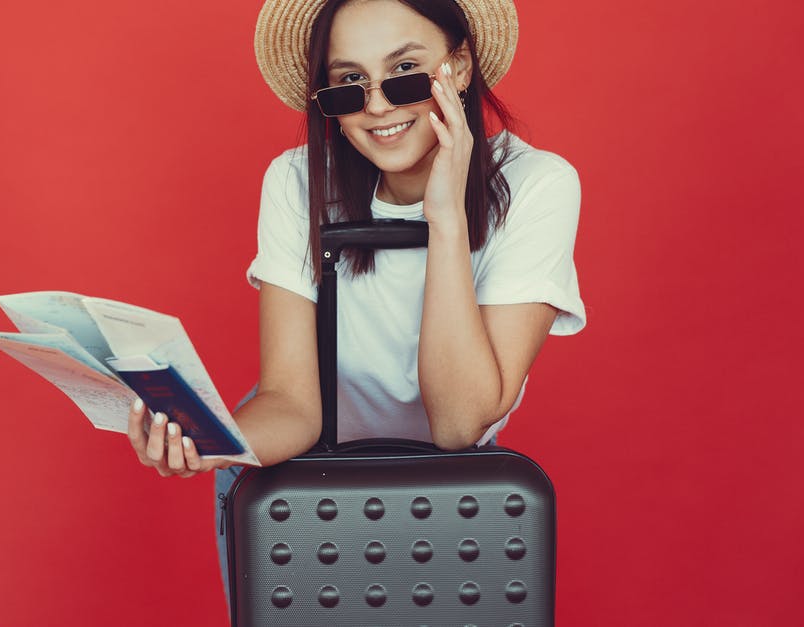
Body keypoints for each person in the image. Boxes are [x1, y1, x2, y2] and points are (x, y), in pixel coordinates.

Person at [125, 0, 584, 602]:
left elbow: (457, 424)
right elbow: (291, 400)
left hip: (457, 492)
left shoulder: (536, 186)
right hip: (300, 482)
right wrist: (210, 442)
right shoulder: (296, 182)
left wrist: (445, 220)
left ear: (461, 65)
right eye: (349, 83)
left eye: (405, 73)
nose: (376, 106)